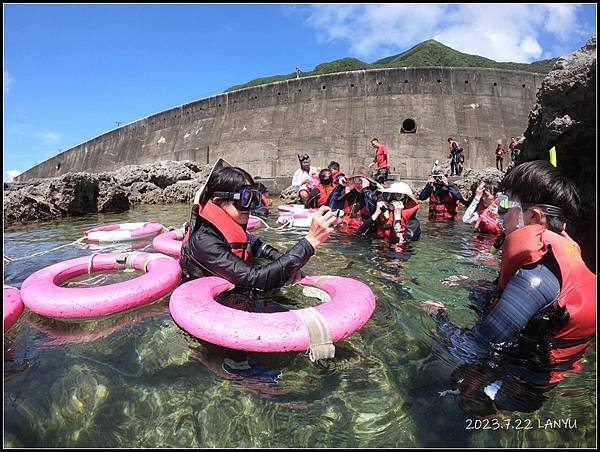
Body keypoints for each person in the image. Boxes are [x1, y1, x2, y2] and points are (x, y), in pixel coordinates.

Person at [422, 160, 596, 414]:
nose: (499, 212)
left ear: (534, 217)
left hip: (515, 385)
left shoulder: (535, 281)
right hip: (537, 371)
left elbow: (470, 348)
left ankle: (483, 413)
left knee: (429, 372)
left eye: (505, 204)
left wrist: (439, 317)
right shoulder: (562, 258)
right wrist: (473, 286)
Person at [180, 162, 338, 293]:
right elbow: (254, 278)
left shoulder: (233, 229)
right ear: (218, 201)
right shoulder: (204, 241)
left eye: (253, 197)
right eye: (245, 199)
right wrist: (310, 241)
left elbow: (263, 249)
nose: (250, 208)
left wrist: (292, 265)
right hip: (212, 311)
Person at [357, 181, 421, 247]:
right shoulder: (384, 216)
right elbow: (359, 234)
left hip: (396, 254)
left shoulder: (413, 224)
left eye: (398, 196)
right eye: (388, 195)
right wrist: (376, 214)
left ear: (406, 199)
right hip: (380, 250)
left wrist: (397, 217)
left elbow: (399, 244)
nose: (391, 200)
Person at [332, 166, 378, 232]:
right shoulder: (351, 195)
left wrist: (366, 190)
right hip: (346, 234)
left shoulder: (375, 195)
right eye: (356, 180)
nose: (358, 184)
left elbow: (372, 212)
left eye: (361, 180)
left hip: (363, 236)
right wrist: (339, 187)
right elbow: (332, 207)